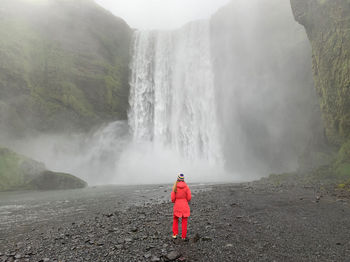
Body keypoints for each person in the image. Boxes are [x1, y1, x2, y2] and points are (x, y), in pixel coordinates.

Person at [171, 173, 192, 240]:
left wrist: (176, 201)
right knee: (184, 221)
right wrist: (185, 200)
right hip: (185, 206)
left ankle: (175, 234)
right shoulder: (186, 187)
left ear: (178, 179)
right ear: (183, 180)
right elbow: (189, 198)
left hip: (177, 205)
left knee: (175, 219)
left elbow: (172, 199)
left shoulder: (175, 187)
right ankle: (183, 236)